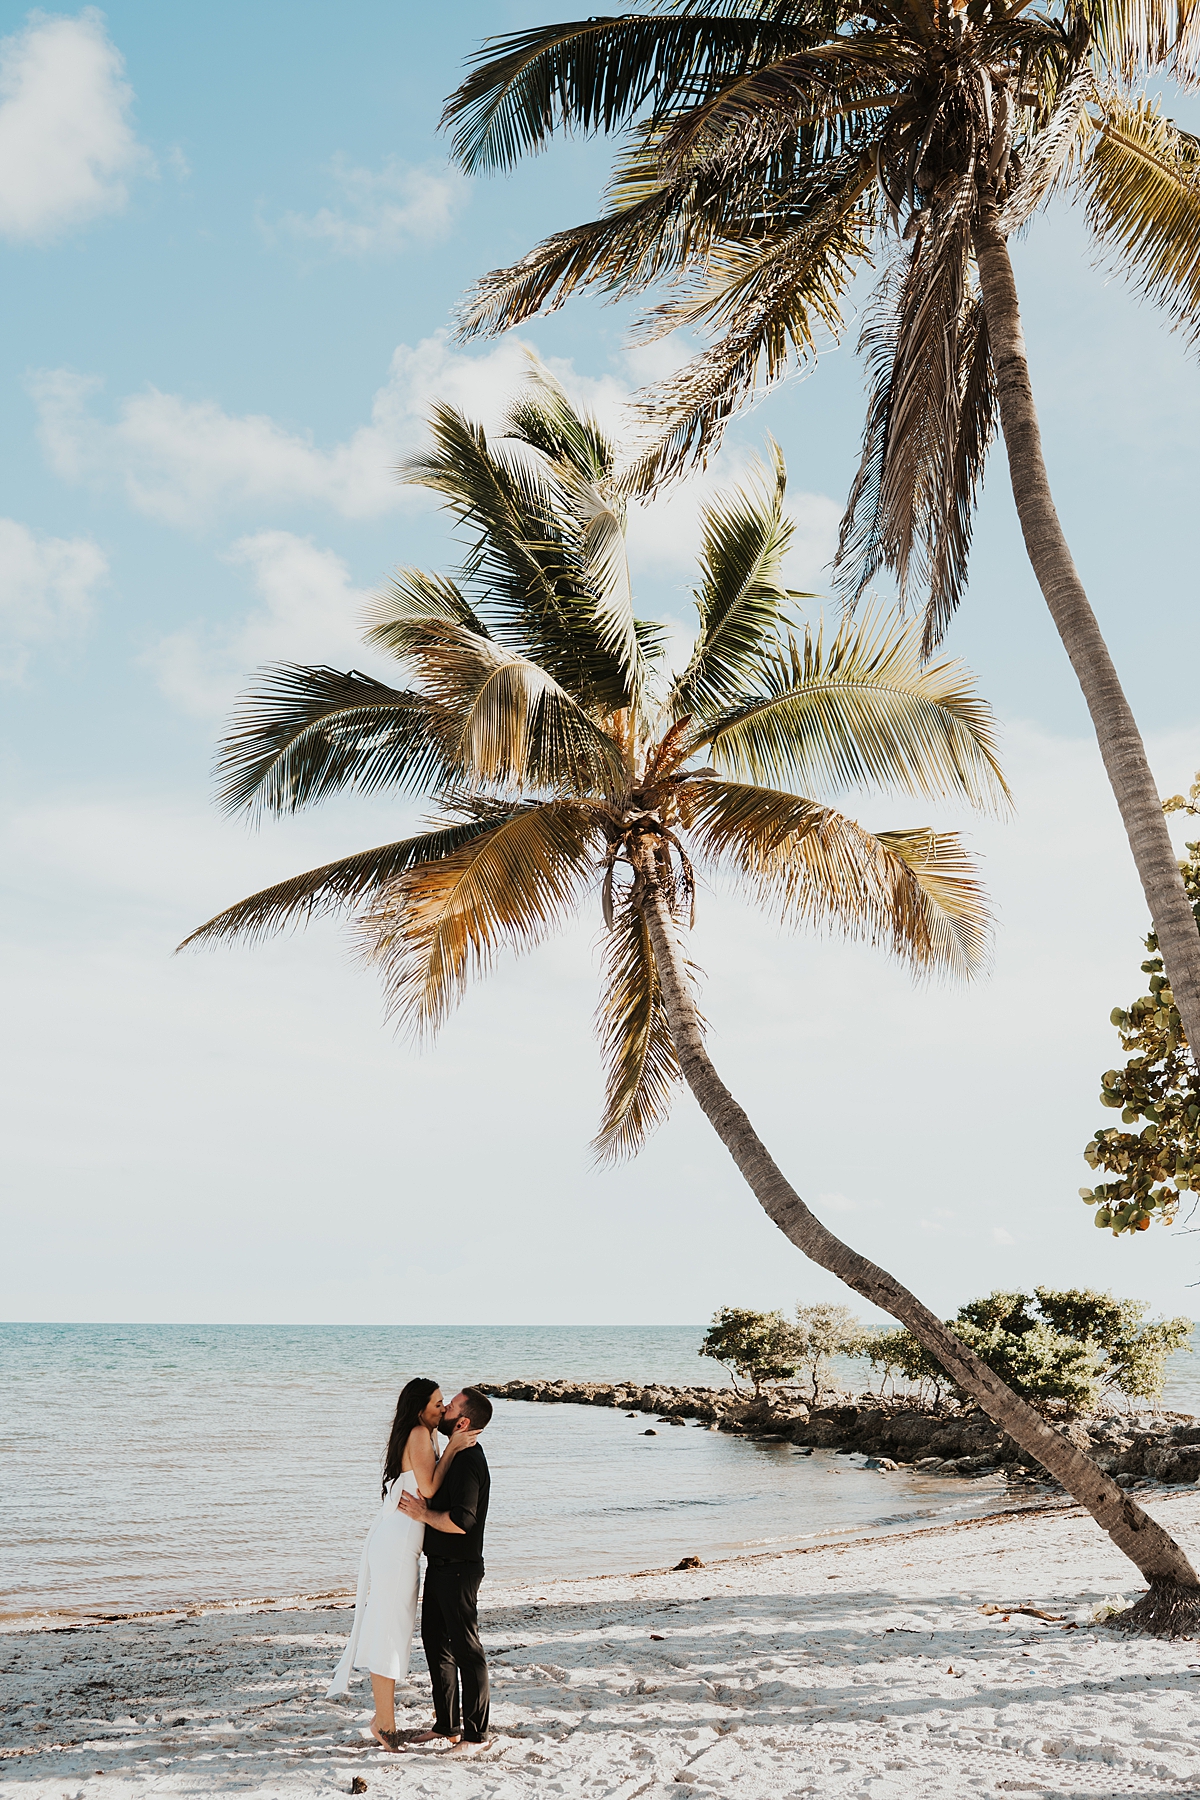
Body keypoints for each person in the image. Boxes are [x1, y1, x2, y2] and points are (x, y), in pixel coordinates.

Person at [326, 1378, 479, 1751]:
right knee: (389, 1631)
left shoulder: (425, 1435)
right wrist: (454, 1449)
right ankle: (385, 1723)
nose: (442, 1409)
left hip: (401, 1546)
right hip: (396, 1546)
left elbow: (427, 1488)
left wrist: (449, 1450)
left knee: (391, 1629)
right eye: (437, 1403)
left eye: (445, 1403)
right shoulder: (417, 1434)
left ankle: (385, 1719)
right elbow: (427, 1489)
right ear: (418, 1408)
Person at [398, 1386, 493, 1752]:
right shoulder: (452, 1453)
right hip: (439, 1567)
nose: (443, 1410)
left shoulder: (469, 1459)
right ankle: (447, 1726)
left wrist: (422, 1514)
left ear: (463, 1421)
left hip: (460, 1569)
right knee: (437, 1647)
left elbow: (463, 1520)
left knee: (467, 1651)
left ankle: (475, 1736)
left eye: (449, 1406)